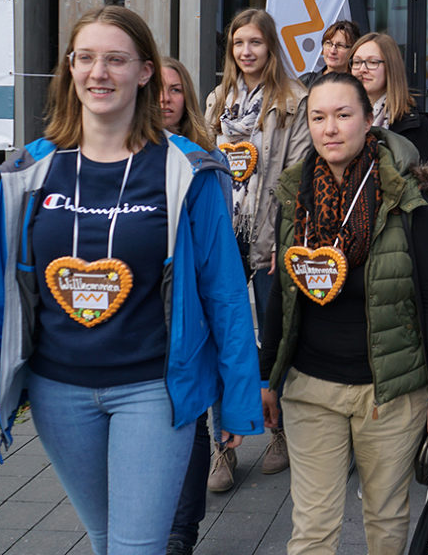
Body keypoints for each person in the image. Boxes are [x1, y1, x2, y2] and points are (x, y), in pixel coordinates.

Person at [0, 6, 262, 555]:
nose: (99, 72)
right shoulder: (29, 172)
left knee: (137, 548)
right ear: (70, 69)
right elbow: (1, 293)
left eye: (115, 59)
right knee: (105, 540)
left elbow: (226, 296)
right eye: (86, 58)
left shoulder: (189, 170)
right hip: (56, 394)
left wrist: (236, 402)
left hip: (154, 392)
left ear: (144, 71)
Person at [260, 72, 428, 555]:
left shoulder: (409, 201)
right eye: (318, 117)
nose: (330, 128)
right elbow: (280, 293)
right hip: (310, 389)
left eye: (343, 115)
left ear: (369, 122)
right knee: (312, 529)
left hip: (389, 393)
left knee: (386, 519)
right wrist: (266, 377)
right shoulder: (295, 196)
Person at [205, 8, 311, 481]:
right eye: (238, 43)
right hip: (220, 236)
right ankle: (222, 446)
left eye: (255, 43)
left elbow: (295, 179)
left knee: (275, 342)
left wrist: (278, 243)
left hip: (268, 239)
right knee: (222, 340)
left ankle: (280, 430)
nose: (246, 52)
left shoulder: (294, 101)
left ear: (271, 46)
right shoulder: (217, 101)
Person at [161, 57, 234, 555]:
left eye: (174, 90)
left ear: (187, 97)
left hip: (191, 310)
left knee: (189, 420)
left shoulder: (206, 160)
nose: (164, 99)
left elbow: (215, 249)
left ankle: (181, 534)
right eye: (157, 90)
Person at [350, 32, 428, 164]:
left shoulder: (415, 126)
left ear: (391, 68)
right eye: (357, 62)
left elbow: (425, 182)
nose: (362, 69)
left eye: (372, 62)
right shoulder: (340, 117)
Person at [300, 19, 360, 88]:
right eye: (328, 43)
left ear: (353, 50)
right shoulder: (306, 82)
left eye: (340, 45)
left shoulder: (359, 85)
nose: (332, 51)